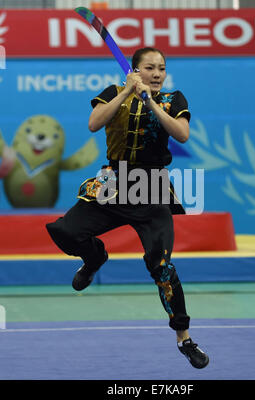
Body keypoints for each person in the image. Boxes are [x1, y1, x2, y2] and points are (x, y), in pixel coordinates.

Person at [46, 47, 209, 369]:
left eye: (162, 68)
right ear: (135, 71)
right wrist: (125, 92)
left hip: (151, 188)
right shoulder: (112, 92)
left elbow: (182, 134)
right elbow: (94, 124)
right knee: (66, 231)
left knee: (161, 267)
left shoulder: (173, 99)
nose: (158, 73)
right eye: (150, 68)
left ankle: (185, 338)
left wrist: (149, 100)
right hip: (114, 182)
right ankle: (94, 258)